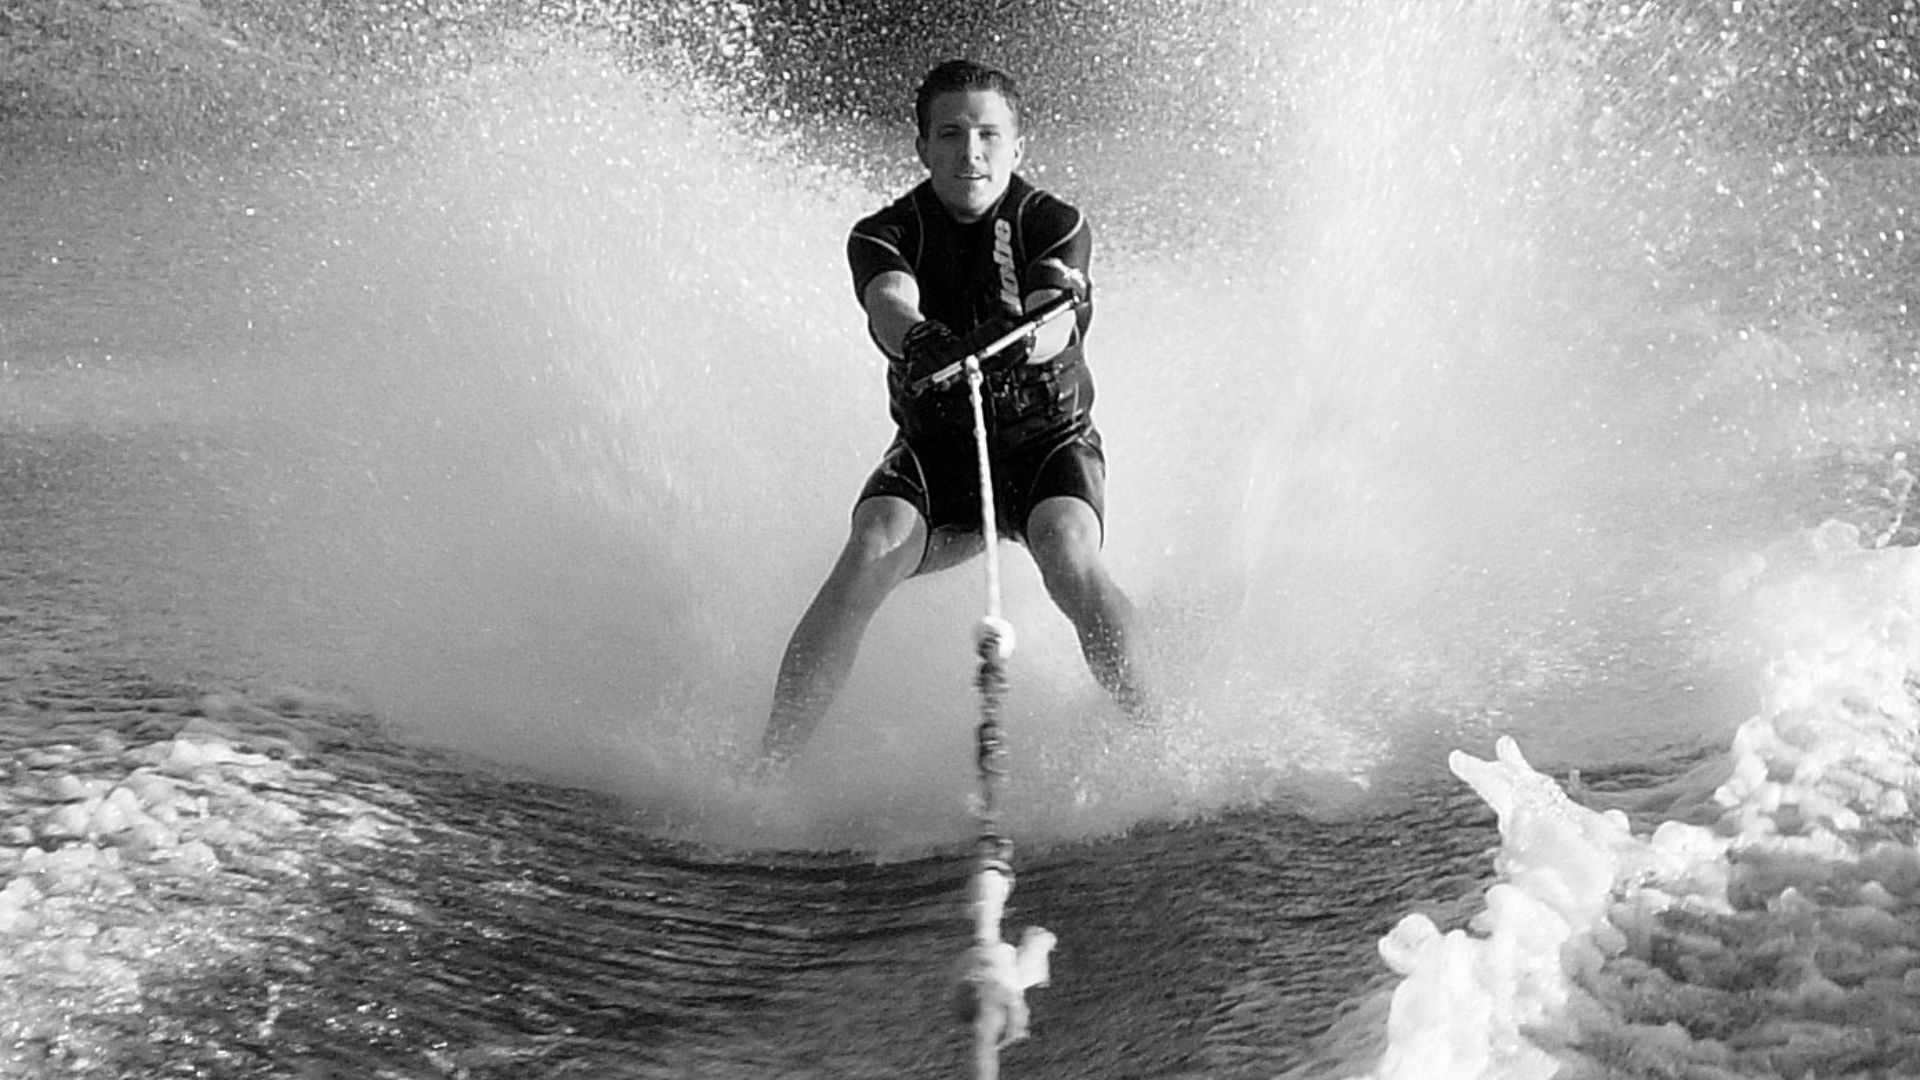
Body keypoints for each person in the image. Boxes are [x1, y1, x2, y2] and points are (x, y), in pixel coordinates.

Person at [760, 58, 1146, 766]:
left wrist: (1023, 342)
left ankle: (1164, 740)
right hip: (940, 457)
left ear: (1017, 145)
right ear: (923, 148)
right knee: (872, 543)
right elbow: (887, 303)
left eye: (989, 135)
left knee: (1064, 548)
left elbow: (1058, 316)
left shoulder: (1053, 222)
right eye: (951, 134)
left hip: (1047, 449)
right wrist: (918, 337)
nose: (971, 152)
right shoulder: (884, 232)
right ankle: (769, 768)